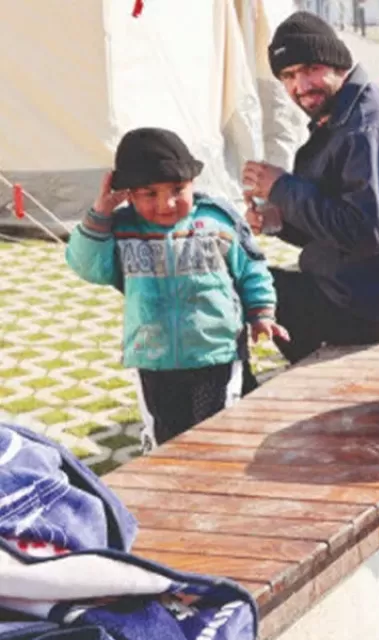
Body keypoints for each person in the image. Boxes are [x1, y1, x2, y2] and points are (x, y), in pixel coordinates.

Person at [65, 128, 285, 452]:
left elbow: (251, 267)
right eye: (149, 194)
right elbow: (86, 266)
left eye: (177, 189)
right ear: (127, 193)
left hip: (216, 354)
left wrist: (261, 312)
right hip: (153, 359)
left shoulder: (217, 220)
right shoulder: (122, 229)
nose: (166, 204)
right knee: (167, 441)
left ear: (193, 183)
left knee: (218, 434)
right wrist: (101, 212)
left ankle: (219, 491)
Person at [241, 11, 379, 364]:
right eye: (288, 75)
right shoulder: (344, 115)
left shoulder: (367, 127)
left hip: (369, 306)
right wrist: (277, 221)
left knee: (235, 285)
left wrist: (282, 188)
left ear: (337, 64)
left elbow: (366, 233)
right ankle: (301, 364)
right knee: (241, 276)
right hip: (360, 289)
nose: (300, 86)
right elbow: (338, 221)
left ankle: (229, 395)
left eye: (310, 69)